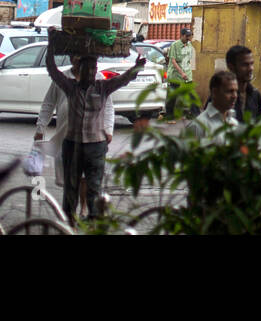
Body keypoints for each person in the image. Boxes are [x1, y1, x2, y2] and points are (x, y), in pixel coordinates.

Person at [44, 46, 146, 221]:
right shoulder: (70, 87)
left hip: (96, 147)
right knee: (71, 190)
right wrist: (52, 45)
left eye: (94, 69)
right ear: (79, 70)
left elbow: (124, 79)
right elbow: (52, 70)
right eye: (87, 68)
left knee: (94, 189)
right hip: (72, 145)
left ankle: (93, 224)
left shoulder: (103, 87)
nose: (91, 72)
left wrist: (137, 67)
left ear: (97, 70)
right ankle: (69, 225)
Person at [34, 63, 116, 191]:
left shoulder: (98, 79)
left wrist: (108, 128)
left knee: (86, 177)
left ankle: (83, 208)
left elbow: (109, 106)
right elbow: (48, 103)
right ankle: (71, 206)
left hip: (91, 137)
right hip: (67, 136)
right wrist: (40, 127)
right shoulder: (62, 78)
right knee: (69, 177)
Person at [185, 70, 239, 141]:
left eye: (236, 91)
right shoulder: (197, 126)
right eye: (229, 91)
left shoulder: (234, 123)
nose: (235, 96)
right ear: (215, 92)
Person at [164, 27, 196, 120]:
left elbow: (190, 60)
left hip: (187, 75)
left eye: (190, 36)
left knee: (192, 94)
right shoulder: (175, 45)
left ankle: (194, 114)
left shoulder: (190, 45)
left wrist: (189, 72)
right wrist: (182, 73)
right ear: (181, 36)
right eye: (187, 36)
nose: (188, 38)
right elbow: (173, 61)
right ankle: (170, 115)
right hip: (176, 75)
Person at [225, 44, 261, 121]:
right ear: (231, 67)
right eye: (245, 65)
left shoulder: (255, 95)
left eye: (252, 64)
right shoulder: (221, 95)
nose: (250, 68)